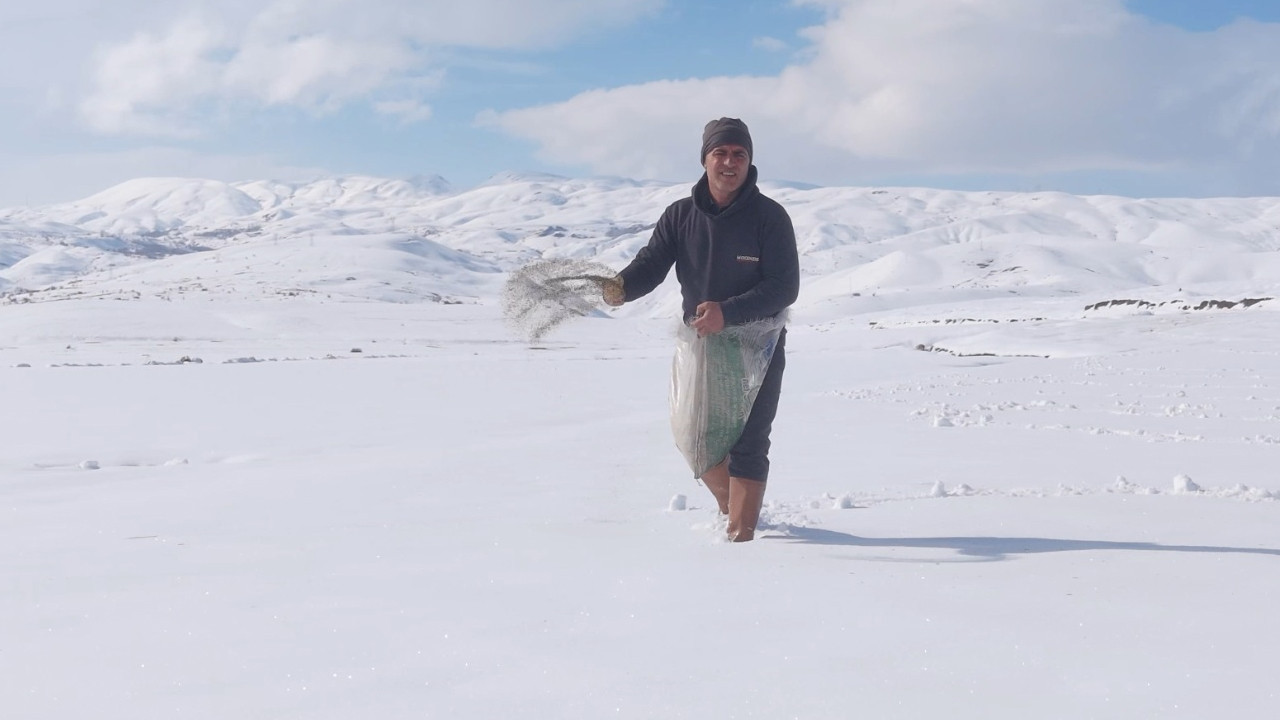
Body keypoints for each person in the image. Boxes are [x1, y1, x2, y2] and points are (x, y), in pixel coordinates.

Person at [601, 117, 800, 542]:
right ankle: (733, 512)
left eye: (739, 154)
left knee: (748, 441)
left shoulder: (770, 218)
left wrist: (728, 312)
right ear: (705, 159)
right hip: (703, 345)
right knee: (694, 436)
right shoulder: (680, 216)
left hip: (758, 345)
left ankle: (743, 537)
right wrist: (621, 287)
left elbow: (785, 287)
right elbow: (651, 264)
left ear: (749, 161)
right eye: (721, 153)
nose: (730, 162)